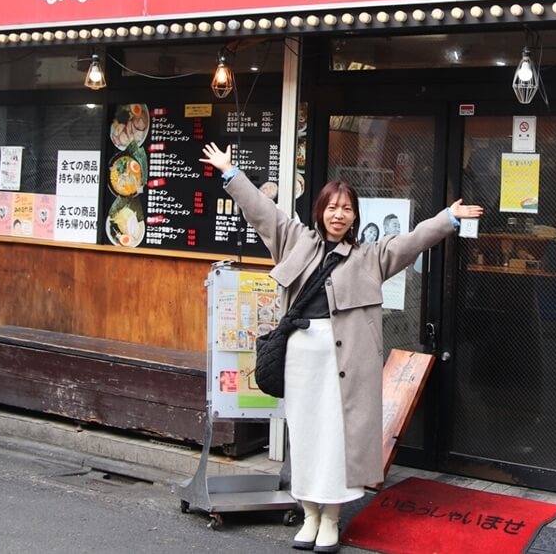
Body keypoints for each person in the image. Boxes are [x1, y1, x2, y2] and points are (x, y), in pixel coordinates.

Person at [200, 142, 483, 553]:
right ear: (320, 212)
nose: (338, 214)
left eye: (346, 208)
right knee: (306, 435)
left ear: (355, 216)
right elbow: (263, 214)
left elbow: (413, 240)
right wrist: (231, 173)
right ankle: (310, 513)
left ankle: (331, 518)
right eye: (331, 207)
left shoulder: (371, 257)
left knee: (336, 438)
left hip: (343, 365)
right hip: (300, 361)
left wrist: (447, 218)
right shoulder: (296, 240)